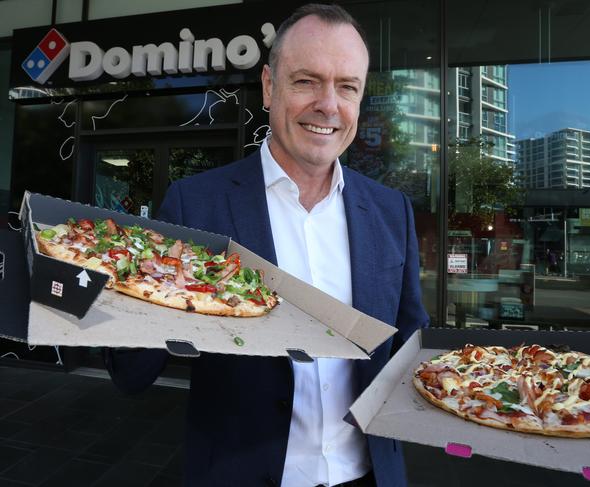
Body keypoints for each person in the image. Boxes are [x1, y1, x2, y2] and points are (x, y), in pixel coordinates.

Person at [105, 4, 428, 486]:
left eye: (347, 87)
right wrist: (110, 289)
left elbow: (409, 342)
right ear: (269, 87)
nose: (329, 105)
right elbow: (130, 369)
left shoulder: (390, 211)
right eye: (306, 81)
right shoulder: (196, 206)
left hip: (370, 475)